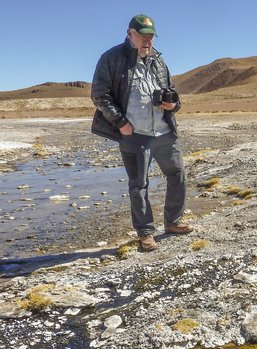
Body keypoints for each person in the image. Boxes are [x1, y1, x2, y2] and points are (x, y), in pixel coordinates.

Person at [91, 14, 192, 252]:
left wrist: (173, 105)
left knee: (178, 174)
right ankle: (146, 232)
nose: (147, 41)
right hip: (134, 134)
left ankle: (173, 222)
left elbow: (173, 91)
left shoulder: (158, 60)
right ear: (130, 34)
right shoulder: (112, 58)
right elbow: (99, 95)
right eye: (142, 36)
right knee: (139, 185)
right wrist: (121, 123)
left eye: (150, 36)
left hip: (164, 131)